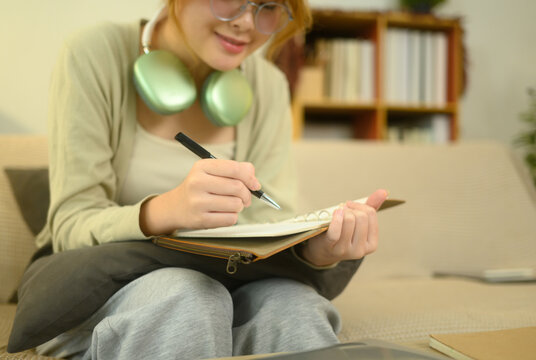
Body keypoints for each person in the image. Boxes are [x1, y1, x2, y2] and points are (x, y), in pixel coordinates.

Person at [32, 0, 387, 358]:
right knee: (188, 298)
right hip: (104, 285)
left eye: (269, 6)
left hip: (223, 280)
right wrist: (167, 210)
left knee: (293, 306)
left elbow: (267, 225)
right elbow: (69, 224)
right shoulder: (93, 54)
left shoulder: (268, 85)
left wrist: (312, 252)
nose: (247, 22)